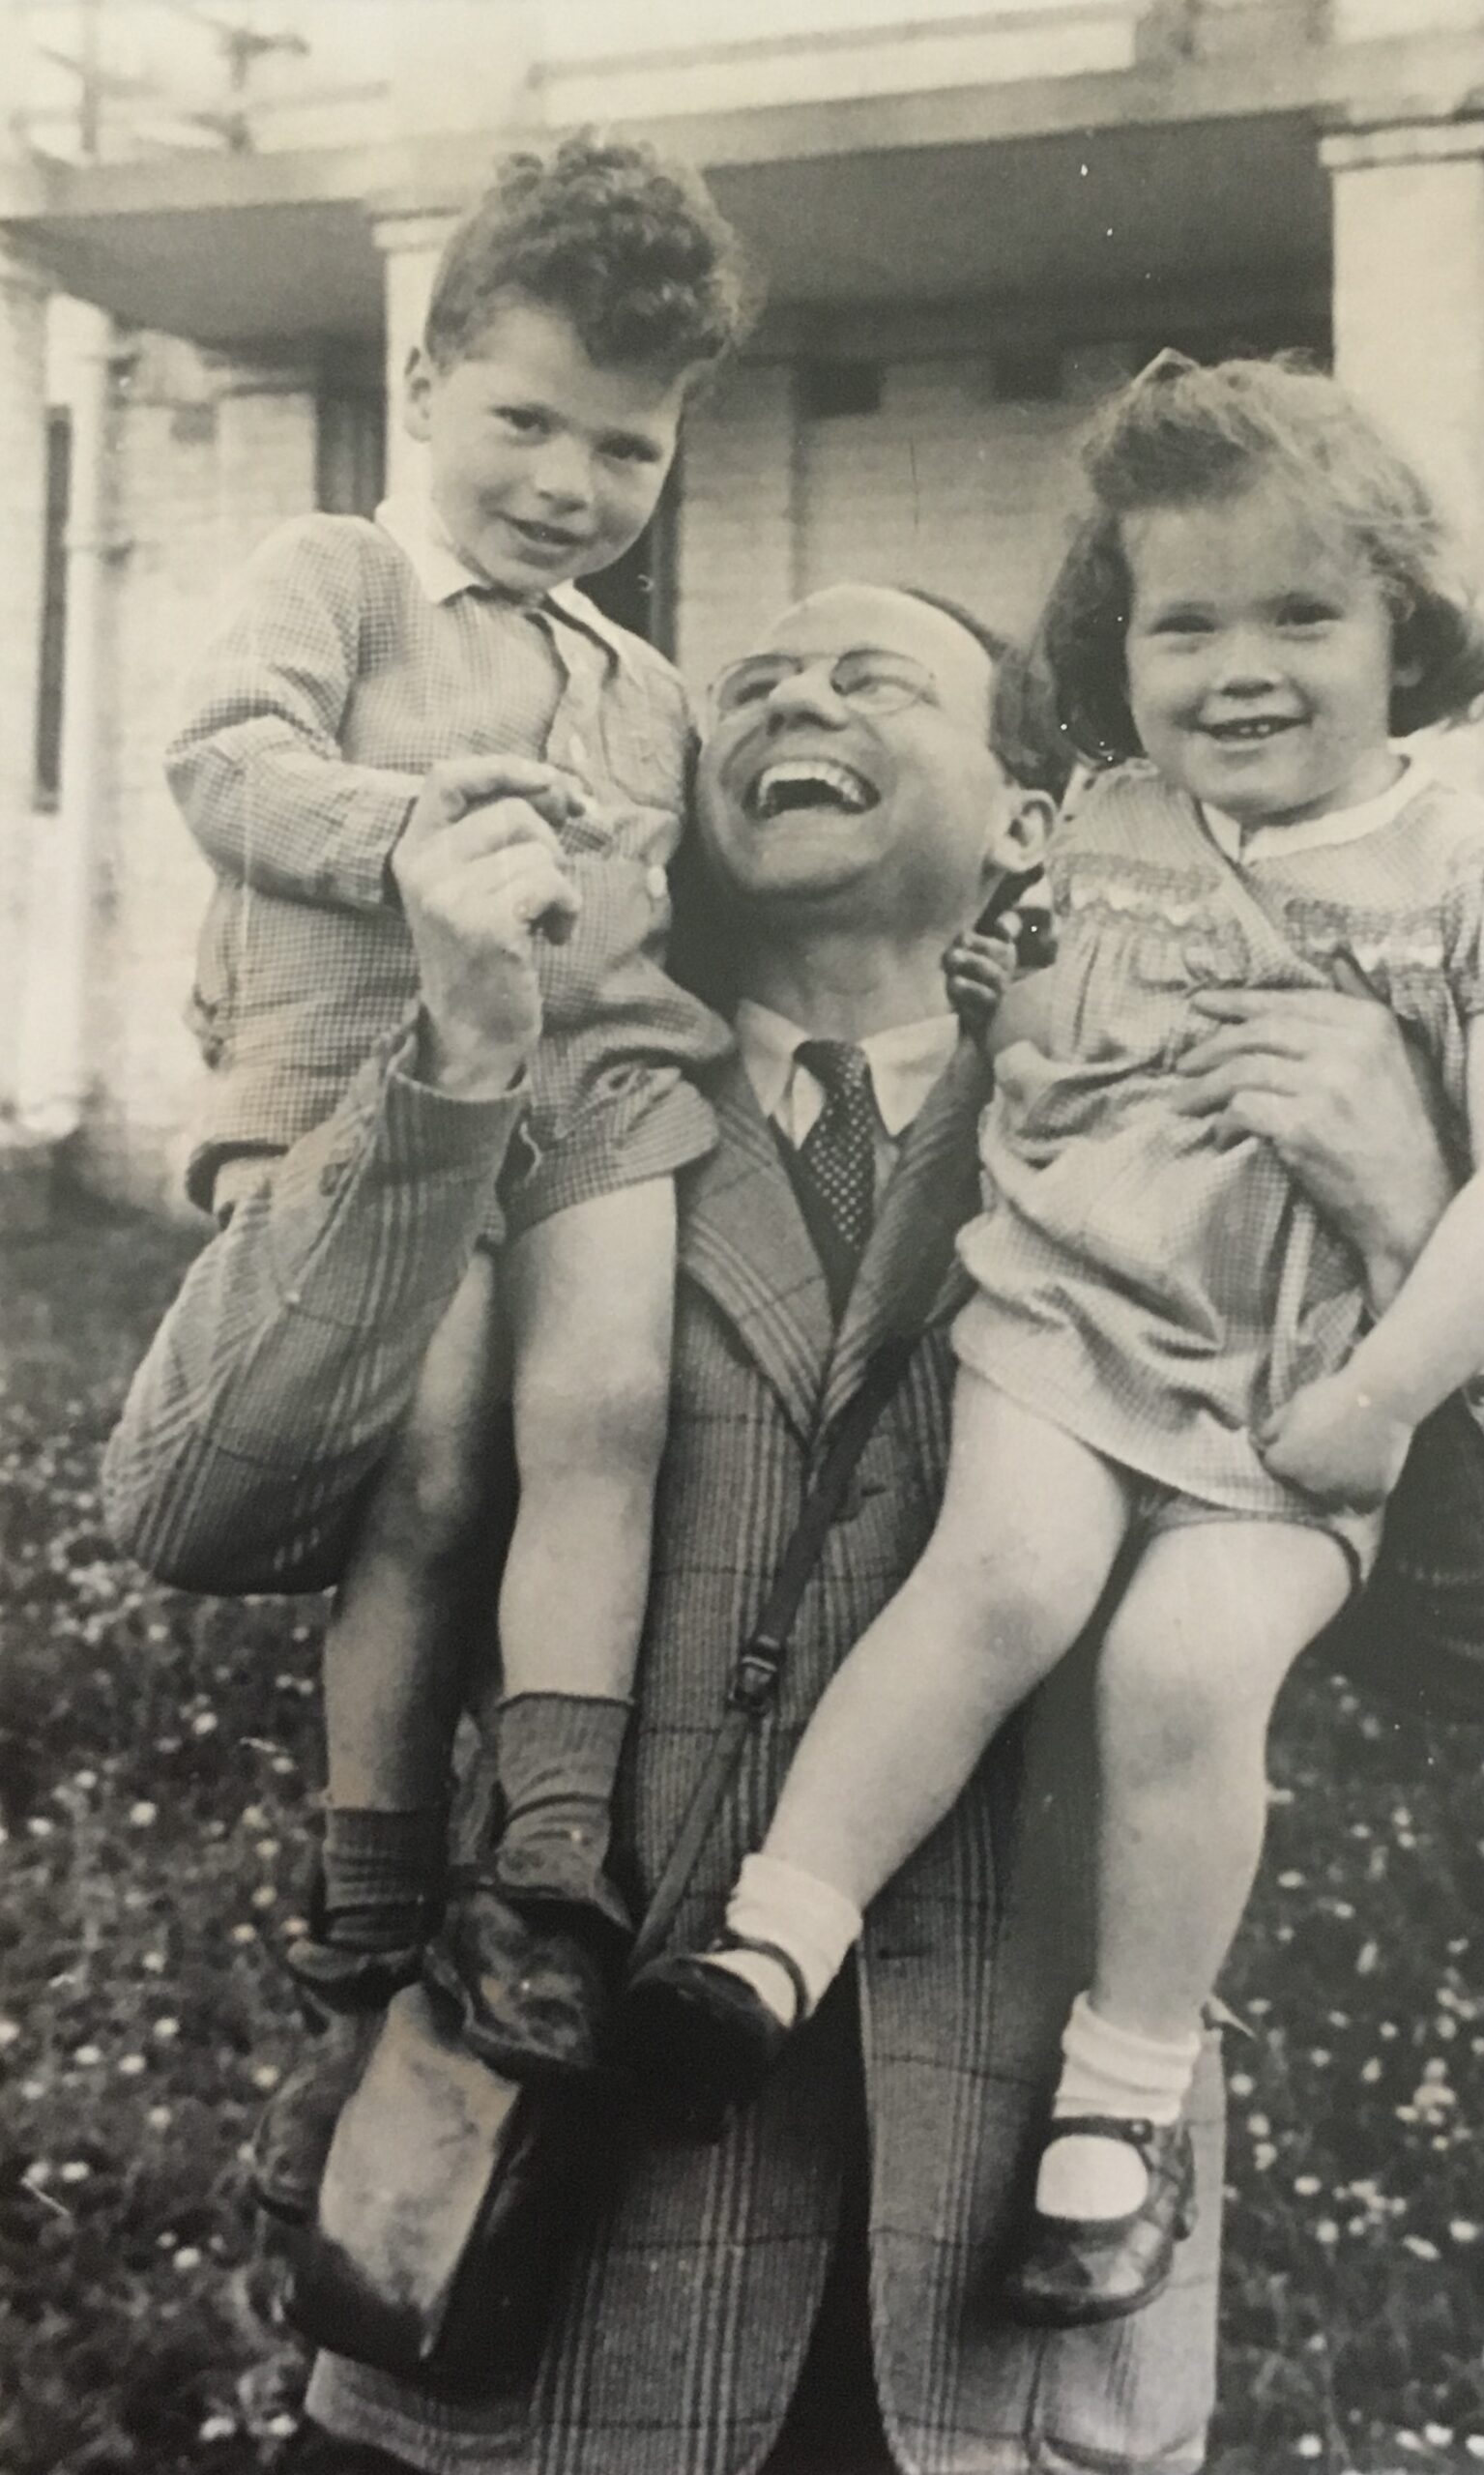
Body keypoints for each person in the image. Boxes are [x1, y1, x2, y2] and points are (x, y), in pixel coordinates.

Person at [105, 575, 1484, 2475]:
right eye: (753, 687)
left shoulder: (1200, 1133)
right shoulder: (546, 1085)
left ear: (1034, 817)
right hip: (534, 2284)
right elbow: (196, 1503)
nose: (795, 702)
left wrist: (1410, 1215)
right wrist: (452, 1066)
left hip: (998, 2306)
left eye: (871, 677)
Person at [621, 356, 1484, 2330]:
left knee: (1183, 1665)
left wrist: (1381, 1397)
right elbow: (1040, 1027)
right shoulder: (1104, 828)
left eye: (1301, 617)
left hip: (1303, 1384)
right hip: (1075, 1316)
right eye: (1185, 625)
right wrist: (1016, 1006)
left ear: (1407, 629)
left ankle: (1122, 2094)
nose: (1239, 671)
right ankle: (768, 1942)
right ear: (1117, 647)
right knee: (995, 1577)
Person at [162, 131, 753, 2154]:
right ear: (424, 384)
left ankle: (551, 1870)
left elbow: (702, 918)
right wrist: (407, 825)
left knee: (609, 1410)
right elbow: (223, 760)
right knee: (423, 1472)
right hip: (371, 1101)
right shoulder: (335, 575)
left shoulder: (645, 686)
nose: (570, 484)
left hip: (590, 1098)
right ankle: (368, 1915)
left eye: (627, 449)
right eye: (527, 421)